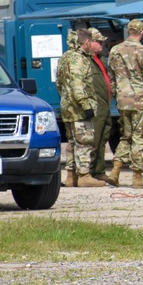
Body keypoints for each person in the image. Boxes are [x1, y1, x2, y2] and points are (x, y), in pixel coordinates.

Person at [106, 19, 143, 189]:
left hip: (123, 101)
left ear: (128, 31)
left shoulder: (115, 50)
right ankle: (137, 176)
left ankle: (115, 173)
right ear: (141, 32)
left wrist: (117, 97)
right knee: (142, 137)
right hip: (140, 101)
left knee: (126, 136)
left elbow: (112, 78)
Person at [56, 28, 105, 188]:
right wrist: (86, 105)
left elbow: (59, 84)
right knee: (84, 142)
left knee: (72, 142)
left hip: (67, 108)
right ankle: (84, 175)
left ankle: (71, 176)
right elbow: (78, 86)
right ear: (87, 42)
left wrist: (66, 100)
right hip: (79, 109)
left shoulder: (64, 58)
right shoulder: (79, 59)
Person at [86, 27, 113, 183]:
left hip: (104, 104)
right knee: (93, 140)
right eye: (99, 41)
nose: (103, 43)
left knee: (103, 138)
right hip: (95, 105)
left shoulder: (100, 59)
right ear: (90, 42)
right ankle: (87, 173)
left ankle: (99, 171)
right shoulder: (85, 60)